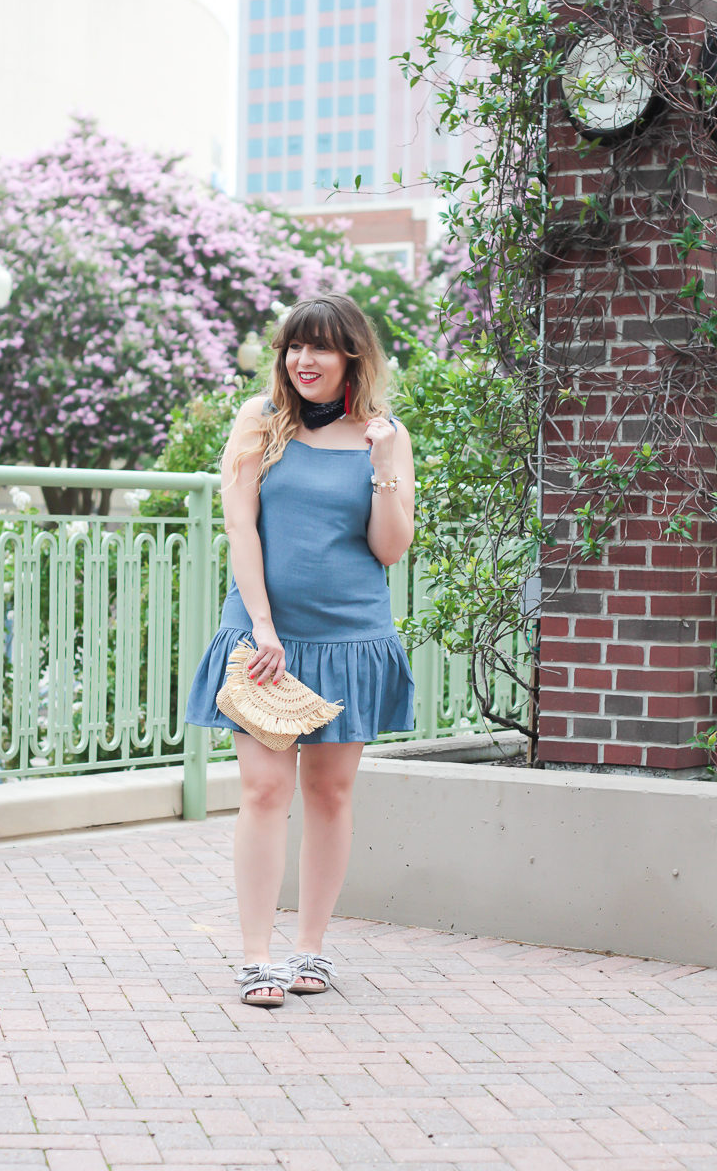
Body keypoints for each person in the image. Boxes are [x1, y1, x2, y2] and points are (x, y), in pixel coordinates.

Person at [185, 293, 415, 1006]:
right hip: (265, 636)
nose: (304, 360)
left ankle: (311, 950)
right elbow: (241, 526)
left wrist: (381, 461)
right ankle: (257, 956)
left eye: (320, 347)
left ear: (352, 355)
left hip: (350, 635)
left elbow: (390, 547)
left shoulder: (386, 434)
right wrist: (261, 624)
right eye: (294, 346)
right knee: (263, 789)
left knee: (329, 792)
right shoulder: (262, 421)